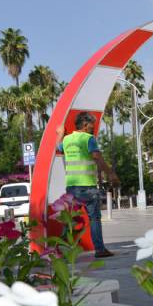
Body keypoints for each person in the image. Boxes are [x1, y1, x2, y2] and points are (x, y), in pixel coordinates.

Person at [56, 111, 119, 258]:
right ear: (85, 124)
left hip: (71, 187)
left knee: (69, 220)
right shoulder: (88, 139)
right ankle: (100, 249)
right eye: (92, 124)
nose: (93, 127)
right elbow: (97, 157)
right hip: (87, 186)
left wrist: (60, 133)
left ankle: (58, 250)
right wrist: (111, 174)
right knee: (94, 218)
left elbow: (57, 149)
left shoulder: (67, 140)